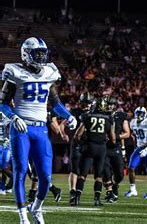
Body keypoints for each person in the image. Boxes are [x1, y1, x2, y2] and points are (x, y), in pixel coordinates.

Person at [0, 37, 77, 224]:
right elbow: (2, 103)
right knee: (19, 172)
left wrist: (68, 115)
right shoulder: (15, 71)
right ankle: (23, 217)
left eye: (43, 53)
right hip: (21, 128)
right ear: (26, 54)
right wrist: (14, 117)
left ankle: (36, 208)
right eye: (38, 53)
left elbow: (55, 104)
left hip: (41, 128)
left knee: (45, 175)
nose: (42, 57)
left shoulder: (49, 72)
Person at [72, 97, 115, 206]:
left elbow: (78, 134)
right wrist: (108, 144)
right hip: (101, 148)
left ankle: (76, 198)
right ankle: (96, 199)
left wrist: (81, 144)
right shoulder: (109, 118)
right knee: (99, 175)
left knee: (82, 174)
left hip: (89, 146)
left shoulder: (87, 116)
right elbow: (113, 138)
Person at [68, 92, 95, 205]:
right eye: (84, 103)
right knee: (75, 169)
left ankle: (77, 192)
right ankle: (72, 192)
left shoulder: (95, 113)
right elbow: (65, 121)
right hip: (77, 142)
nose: (86, 105)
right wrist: (63, 129)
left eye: (88, 103)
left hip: (89, 143)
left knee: (83, 171)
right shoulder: (75, 112)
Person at [124, 106, 147, 199]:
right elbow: (134, 137)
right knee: (131, 167)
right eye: (138, 114)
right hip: (138, 147)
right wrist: (135, 148)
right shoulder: (133, 122)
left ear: (145, 114)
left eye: (141, 114)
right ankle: (133, 190)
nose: (139, 116)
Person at [103, 96, 130, 203]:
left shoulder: (121, 116)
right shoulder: (102, 115)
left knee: (120, 174)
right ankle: (109, 192)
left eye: (111, 104)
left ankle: (114, 185)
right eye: (107, 104)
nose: (109, 106)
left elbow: (127, 133)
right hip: (104, 147)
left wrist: (115, 137)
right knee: (106, 172)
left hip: (116, 148)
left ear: (115, 106)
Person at [0, 113, 12, 195]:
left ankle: (13, 180)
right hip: (5, 143)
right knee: (3, 167)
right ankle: (2, 187)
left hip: (4, 143)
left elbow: (10, 128)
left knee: (3, 168)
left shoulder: (7, 111)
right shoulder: (7, 111)